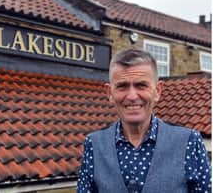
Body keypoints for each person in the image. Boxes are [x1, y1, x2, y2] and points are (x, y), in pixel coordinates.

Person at [77, 48, 211, 193]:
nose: (132, 96)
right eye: (122, 86)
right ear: (110, 93)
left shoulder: (189, 142)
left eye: (141, 85)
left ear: (157, 91)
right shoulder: (94, 144)